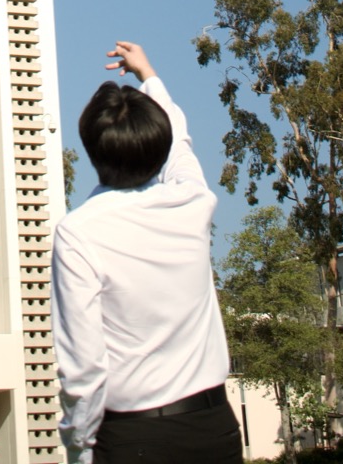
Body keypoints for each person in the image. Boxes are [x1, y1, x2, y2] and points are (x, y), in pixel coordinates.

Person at [50, 39, 242, 464]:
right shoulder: (192, 202)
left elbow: (83, 364)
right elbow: (179, 142)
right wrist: (148, 75)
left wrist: (79, 446)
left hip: (133, 438)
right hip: (215, 428)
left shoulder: (79, 233)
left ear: (92, 148)